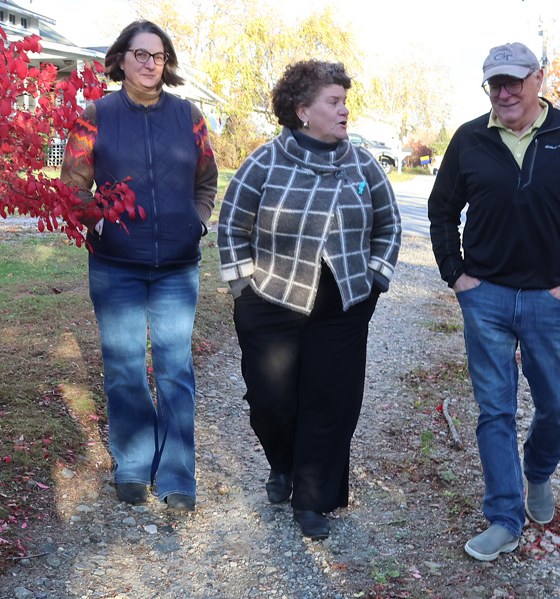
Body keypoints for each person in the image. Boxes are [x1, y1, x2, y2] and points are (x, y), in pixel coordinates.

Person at [428, 42, 560, 561]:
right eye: (495, 83)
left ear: (538, 78)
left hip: (548, 300)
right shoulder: (468, 139)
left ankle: (537, 472)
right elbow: (441, 210)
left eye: (514, 81)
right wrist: (456, 275)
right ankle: (504, 517)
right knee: (495, 411)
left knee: (555, 403)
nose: (505, 92)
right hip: (484, 297)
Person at [218, 60, 401, 540]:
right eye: (333, 102)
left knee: (331, 400)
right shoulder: (266, 160)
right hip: (272, 299)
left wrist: (375, 280)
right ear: (302, 111)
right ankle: (283, 463)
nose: (344, 111)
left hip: (343, 303)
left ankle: (312, 497)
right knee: (270, 400)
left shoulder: (362, 163)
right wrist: (242, 287)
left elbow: (389, 224)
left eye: (345, 101)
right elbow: (233, 222)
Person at [60, 20, 218, 513]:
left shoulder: (189, 117)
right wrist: (100, 222)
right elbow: (72, 184)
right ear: (121, 59)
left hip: (177, 267)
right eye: (141, 54)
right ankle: (131, 463)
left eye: (159, 56)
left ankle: (176, 475)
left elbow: (207, 179)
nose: (151, 64)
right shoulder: (96, 116)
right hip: (116, 267)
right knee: (125, 368)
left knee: (175, 371)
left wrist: (197, 222)